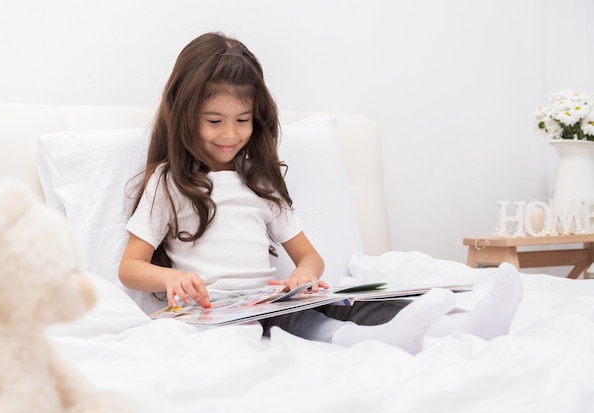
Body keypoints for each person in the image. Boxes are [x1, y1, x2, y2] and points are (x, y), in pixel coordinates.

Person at [118, 32, 523, 354]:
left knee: (343, 300)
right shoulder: (169, 183)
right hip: (215, 312)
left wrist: (302, 277)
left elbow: (308, 255)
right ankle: (369, 341)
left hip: (268, 299)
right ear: (184, 113)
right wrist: (172, 277)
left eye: (242, 120)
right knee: (294, 322)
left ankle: (458, 324)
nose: (230, 134)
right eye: (214, 120)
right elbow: (130, 267)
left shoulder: (258, 182)